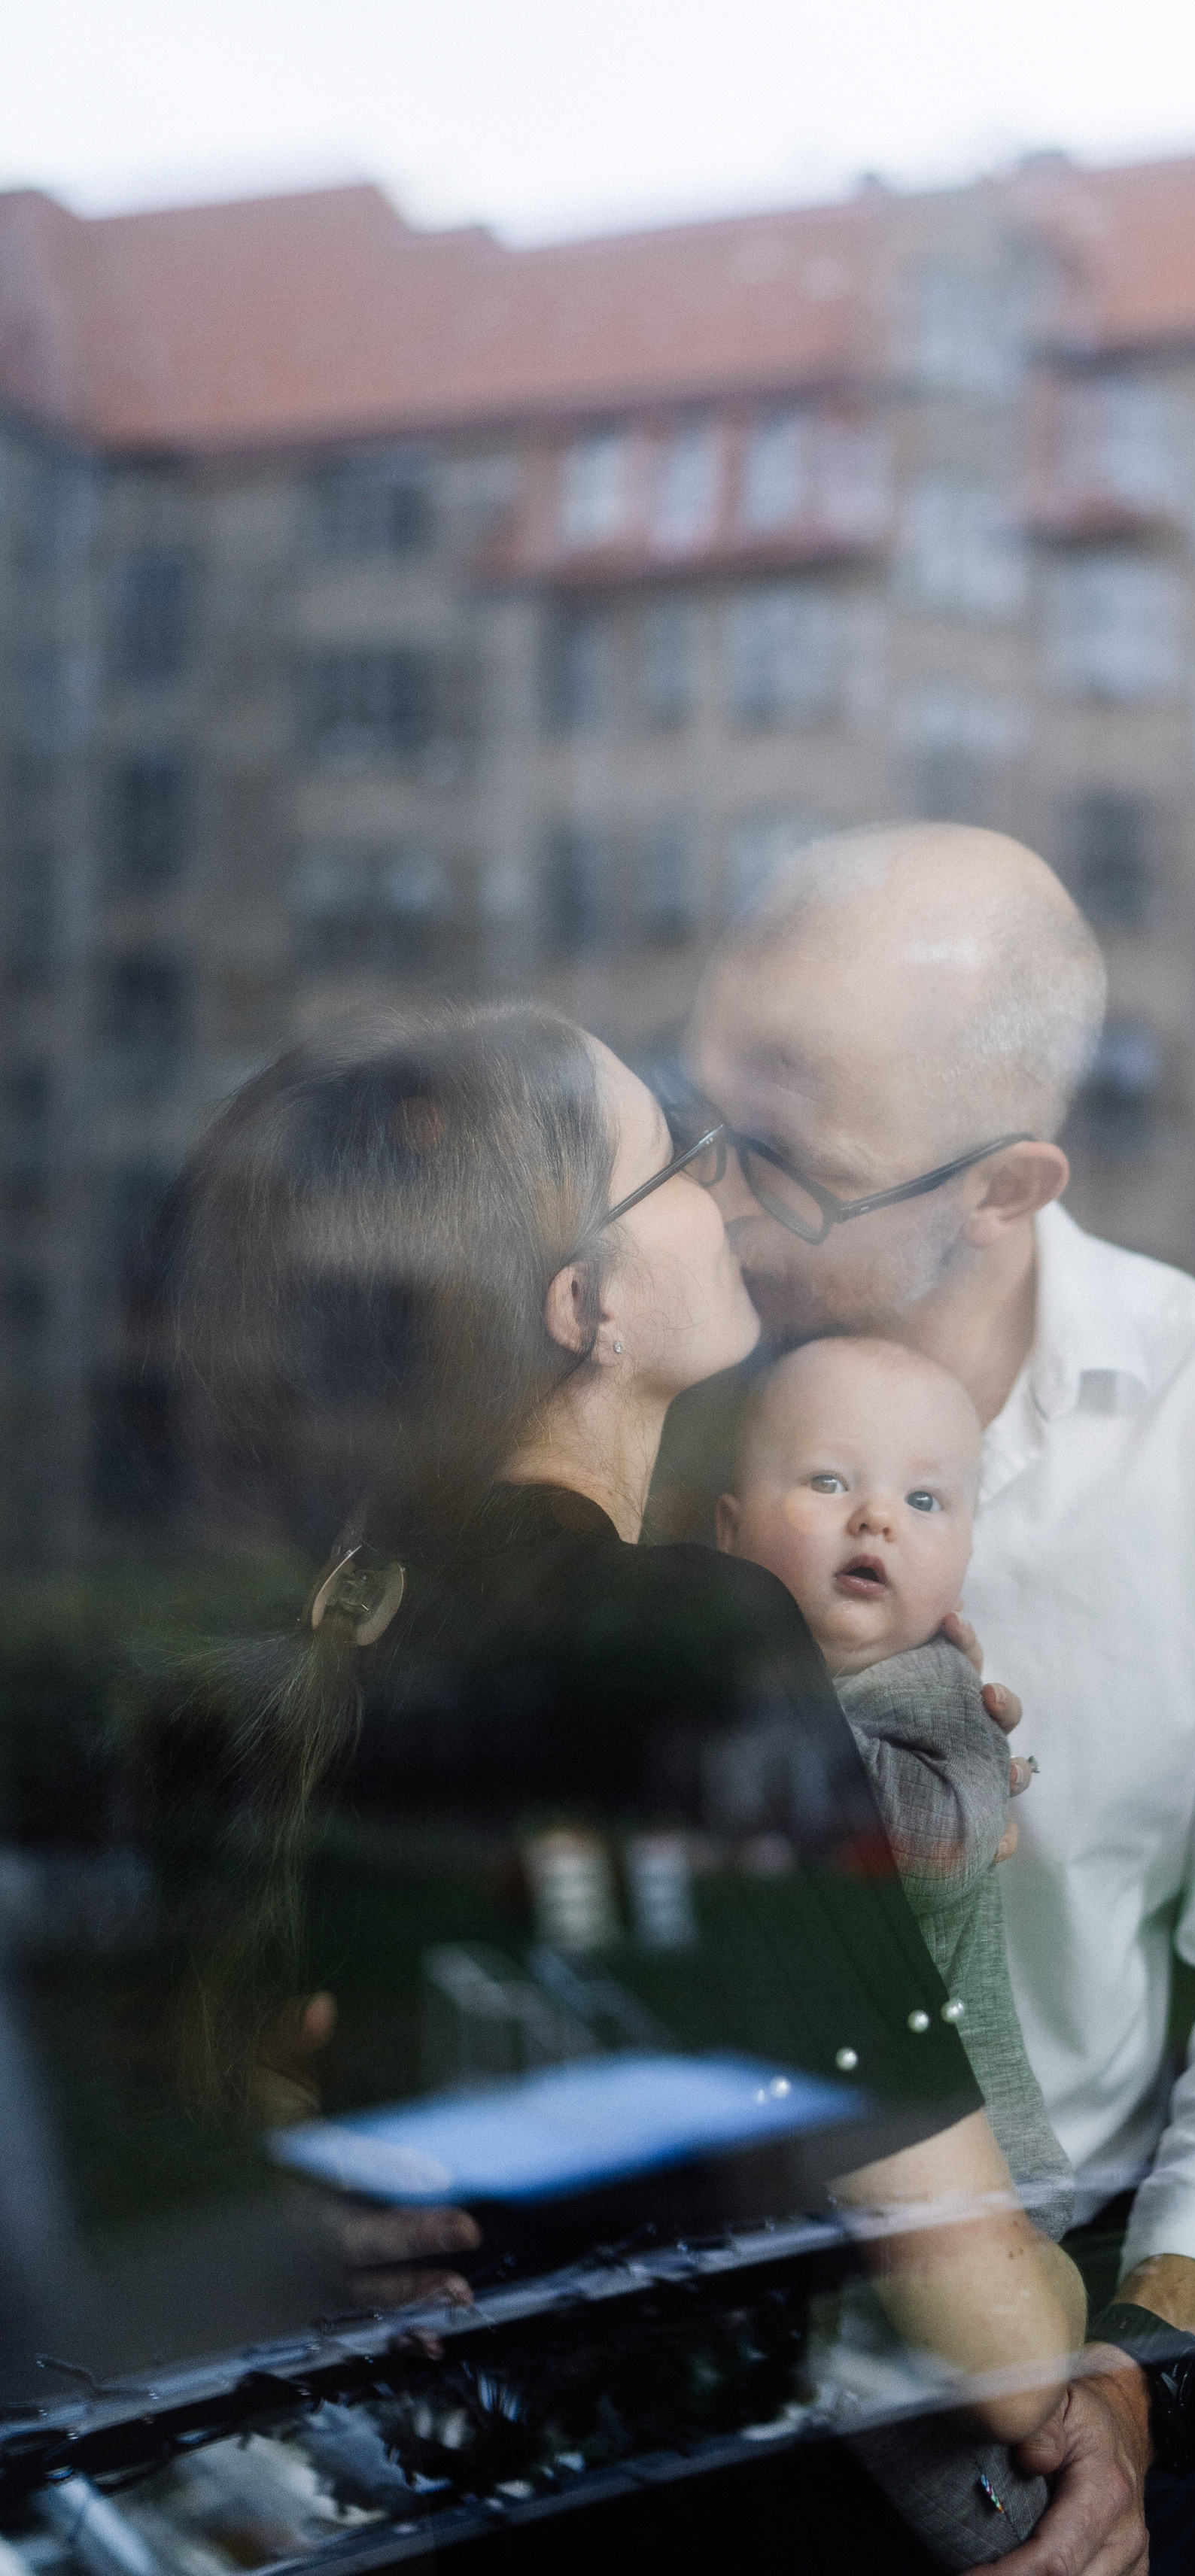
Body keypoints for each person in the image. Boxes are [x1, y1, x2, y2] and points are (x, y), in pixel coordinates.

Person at [163, 1001, 1091, 2566]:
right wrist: (1113, 2367)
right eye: (671, 1165)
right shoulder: (676, 1638)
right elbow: (995, 2340)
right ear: (585, 1304)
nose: (722, 1190)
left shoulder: (374, 1616)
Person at [673, 824, 1195, 2574]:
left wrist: (1143, 2372)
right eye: (697, 1119)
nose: (700, 1204)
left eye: (777, 1163)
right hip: (638, 2373)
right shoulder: (647, 1374)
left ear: (1006, 1188)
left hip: (1039, 2397)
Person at [721, 1334, 1076, 2563]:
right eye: (828, 1483)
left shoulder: (932, 1699)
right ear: (727, 1536)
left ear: (962, 1557)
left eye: (926, 1501)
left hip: (969, 2180)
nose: (877, 1514)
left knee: (953, 2471)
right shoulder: (751, 1694)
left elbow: (926, 1836)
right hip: (838, 2173)